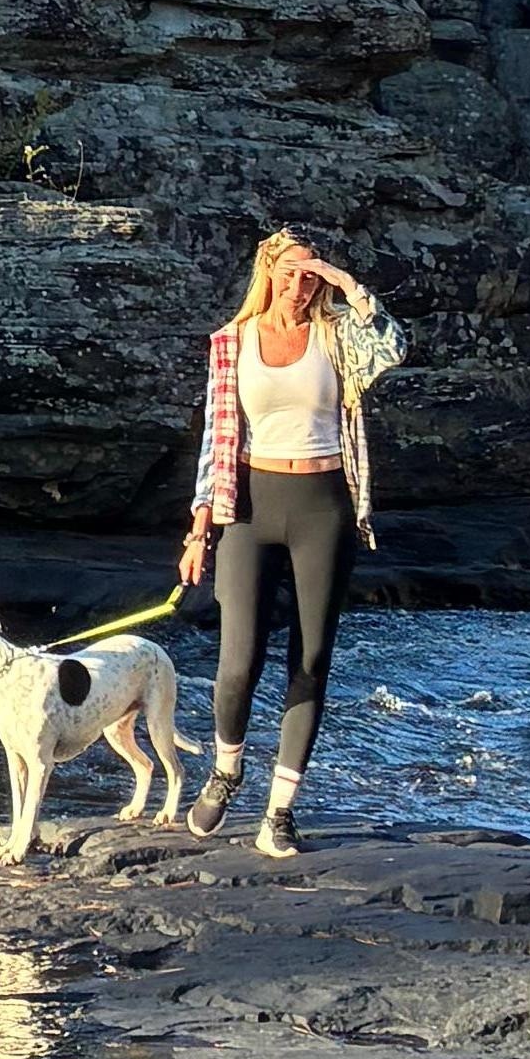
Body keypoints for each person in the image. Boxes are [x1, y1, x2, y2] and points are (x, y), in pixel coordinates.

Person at [171, 226, 404, 852]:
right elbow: (215, 440)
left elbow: (393, 348)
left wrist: (348, 286)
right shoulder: (233, 341)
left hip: (323, 506)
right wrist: (200, 529)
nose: (301, 287)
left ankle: (279, 812)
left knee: (308, 662)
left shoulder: (335, 335)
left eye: (312, 276)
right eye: (292, 273)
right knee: (238, 660)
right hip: (250, 505)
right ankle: (226, 770)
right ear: (268, 273)